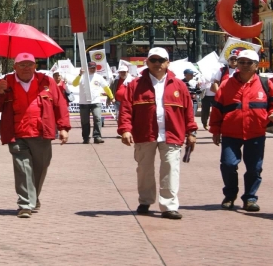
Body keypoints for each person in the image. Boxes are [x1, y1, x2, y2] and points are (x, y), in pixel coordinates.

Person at [0, 52, 71, 218]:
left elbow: (59, 105)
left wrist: (63, 128)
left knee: (40, 168)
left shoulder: (46, 82)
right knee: (23, 169)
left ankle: (33, 197)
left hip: (41, 133)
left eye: (29, 64)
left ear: (35, 66)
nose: (26, 68)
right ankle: (25, 204)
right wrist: (0, 92)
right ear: (15, 67)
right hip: (16, 134)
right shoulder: (6, 82)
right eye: (22, 65)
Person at [118, 48, 197, 220]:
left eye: (161, 60)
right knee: (144, 169)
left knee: (170, 168)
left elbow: (188, 111)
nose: (157, 64)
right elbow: (125, 110)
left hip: (172, 133)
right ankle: (146, 200)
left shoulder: (179, 85)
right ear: (147, 62)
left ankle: (169, 206)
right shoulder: (135, 85)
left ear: (168, 62)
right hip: (145, 133)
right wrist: (125, 129)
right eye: (153, 60)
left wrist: (191, 131)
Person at [209, 50, 273, 212]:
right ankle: (230, 195)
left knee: (254, 168)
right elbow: (217, 110)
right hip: (230, 133)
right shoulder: (226, 85)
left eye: (249, 62)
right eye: (241, 62)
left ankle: (250, 198)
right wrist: (215, 130)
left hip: (255, 133)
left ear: (256, 65)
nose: (245, 65)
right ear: (237, 64)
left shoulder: (266, 84)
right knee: (228, 165)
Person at [72, 61, 113, 144]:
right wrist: (79, 75)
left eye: (94, 67)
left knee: (98, 118)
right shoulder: (82, 77)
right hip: (84, 103)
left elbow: (106, 88)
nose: (92, 69)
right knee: (85, 121)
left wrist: (111, 97)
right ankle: (86, 138)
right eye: (91, 67)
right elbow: (74, 84)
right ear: (88, 68)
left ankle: (97, 136)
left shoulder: (99, 77)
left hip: (96, 102)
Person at [201, 55, 239, 130]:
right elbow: (215, 82)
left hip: (237, 97)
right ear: (228, 61)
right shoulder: (222, 70)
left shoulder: (241, 70)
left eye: (235, 59)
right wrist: (219, 94)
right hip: (224, 97)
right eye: (232, 59)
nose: (234, 61)